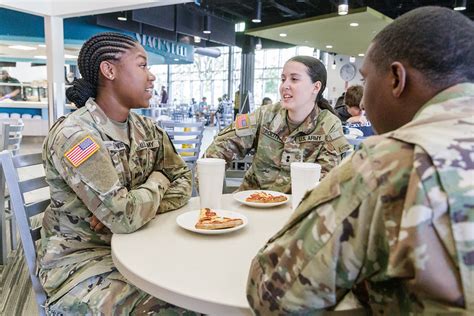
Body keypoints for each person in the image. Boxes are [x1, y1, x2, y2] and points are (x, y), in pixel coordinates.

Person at [247, 6, 474, 315]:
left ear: (396, 78)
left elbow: (273, 295)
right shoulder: (265, 115)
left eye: (366, 80)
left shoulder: (387, 163)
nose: (362, 101)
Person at [40, 32, 193, 314]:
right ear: (109, 70)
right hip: (83, 265)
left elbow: (185, 179)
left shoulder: (147, 129)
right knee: (181, 307)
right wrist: (158, 180)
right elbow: (123, 217)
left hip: (138, 248)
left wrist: (139, 207)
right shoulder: (77, 137)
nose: (152, 76)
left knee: (197, 282)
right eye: (142, 65)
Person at [204, 56, 351, 193]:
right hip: (251, 202)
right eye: (283, 79)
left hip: (294, 211)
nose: (284, 86)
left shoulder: (329, 126)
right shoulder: (264, 115)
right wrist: (215, 197)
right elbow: (216, 152)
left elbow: (325, 184)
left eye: (294, 79)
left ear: (316, 87)